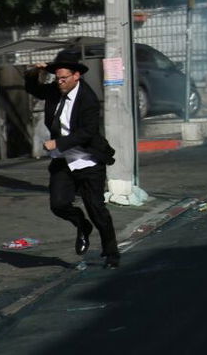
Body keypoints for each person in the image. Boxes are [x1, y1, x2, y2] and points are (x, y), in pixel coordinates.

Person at [23, 49, 120, 268]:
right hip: (63, 159)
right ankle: (82, 225)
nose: (60, 82)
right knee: (58, 204)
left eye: (64, 78)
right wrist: (33, 73)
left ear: (76, 75)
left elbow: (87, 132)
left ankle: (112, 253)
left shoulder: (88, 99)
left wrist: (58, 143)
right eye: (57, 78)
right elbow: (33, 89)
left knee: (96, 209)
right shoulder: (55, 90)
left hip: (87, 159)